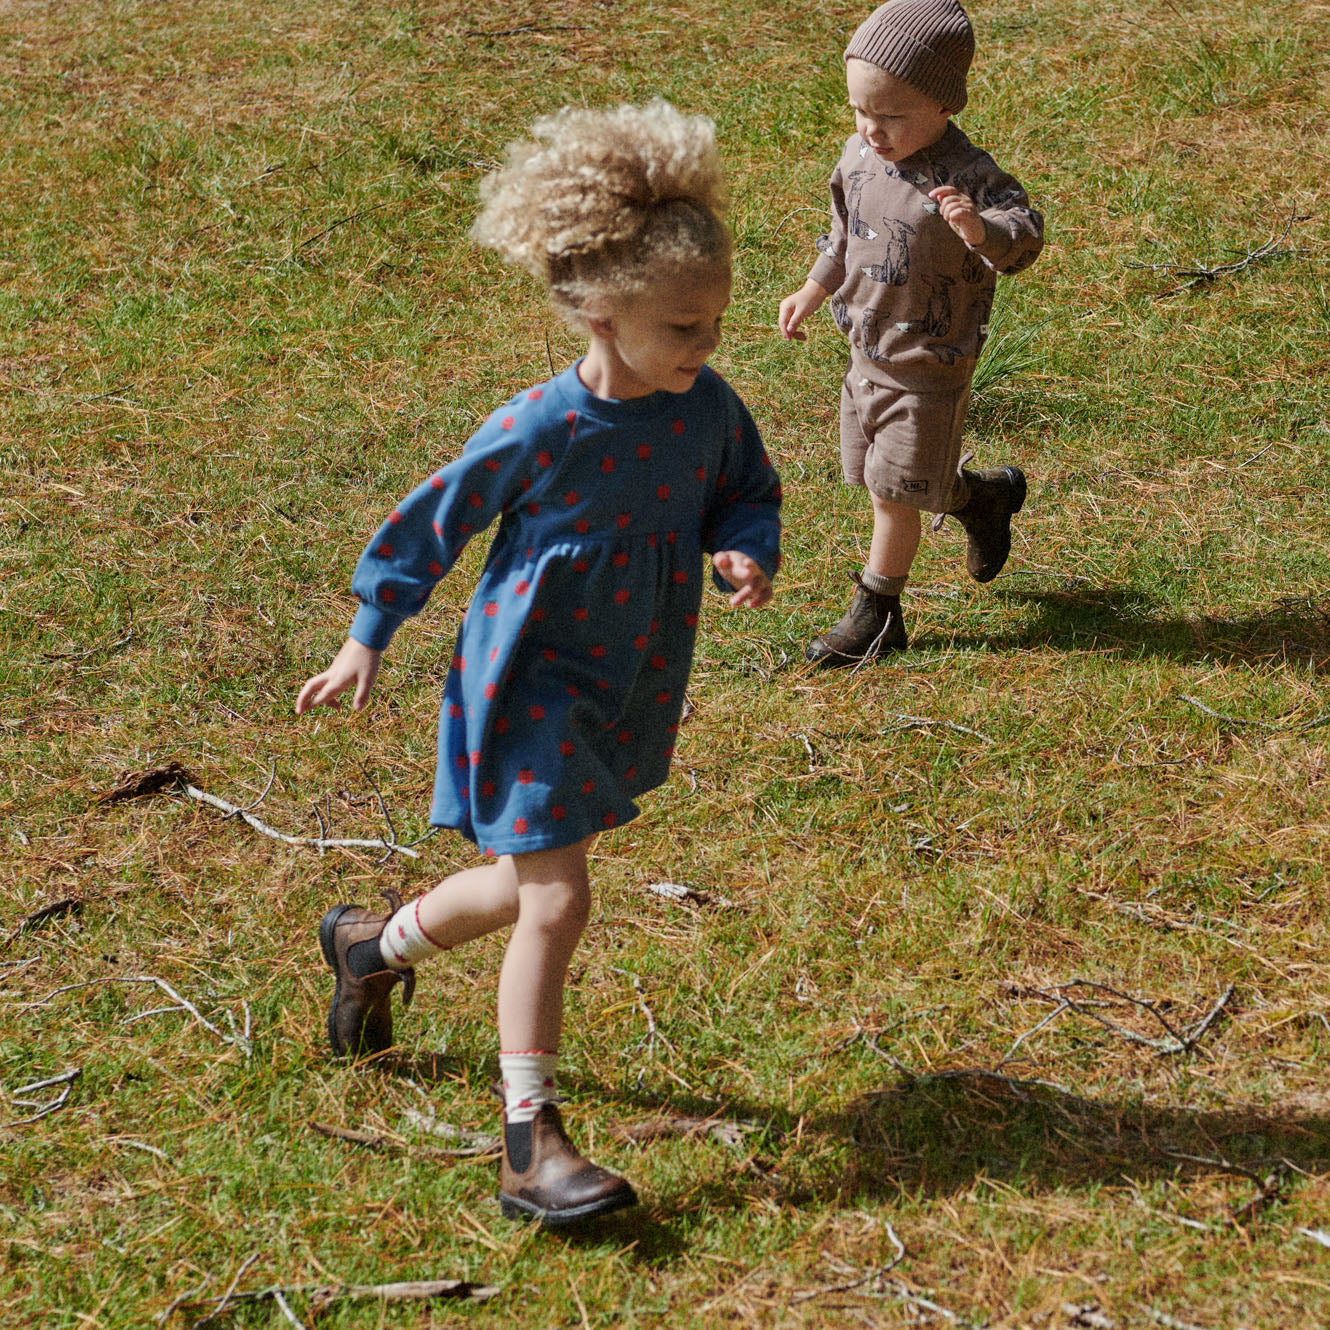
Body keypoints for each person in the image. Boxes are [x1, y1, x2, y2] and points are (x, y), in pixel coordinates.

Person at [295, 100, 781, 1227]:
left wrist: (741, 551)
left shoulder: (703, 410)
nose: (705, 347)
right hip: (528, 681)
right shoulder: (540, 426)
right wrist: (371, 628)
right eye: (682, 328)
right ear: (601, 313)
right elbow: (434, 519)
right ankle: (530, 1141)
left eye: (713, 323)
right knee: (558, 898)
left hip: (626, 677)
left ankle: (371, 945)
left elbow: (745, 487)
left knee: (520, 882)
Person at [778, 0, 1043, 666]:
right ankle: (981, 500)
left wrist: (981, 232)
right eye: (860, 111)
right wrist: (813, 287)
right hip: (865, 352)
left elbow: (1024, 241)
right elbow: (843, 235)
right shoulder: (859, 157)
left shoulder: (971, 177)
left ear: (945, 105)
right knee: (883, 478)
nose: (872, 129)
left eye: (892, 115)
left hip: (931, 364)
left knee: (894, 495)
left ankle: (877, 613)